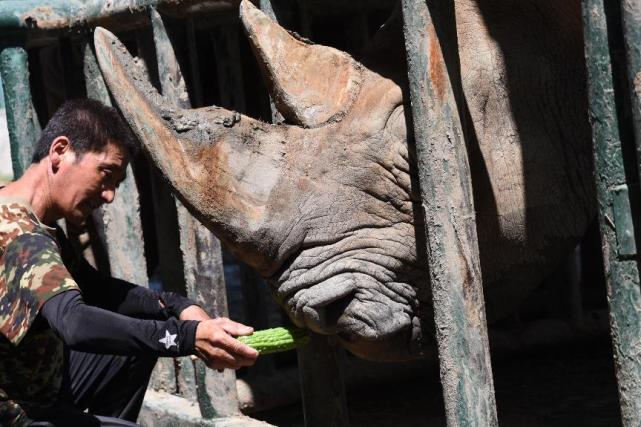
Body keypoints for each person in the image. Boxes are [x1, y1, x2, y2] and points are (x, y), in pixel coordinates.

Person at [0, 99, 259, 426]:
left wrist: (176, 306)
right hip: (15, 410)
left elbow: (96, 288)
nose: (108, 195)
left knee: (131, 347)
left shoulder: (31, 220)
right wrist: (186, 337)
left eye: (116, 185)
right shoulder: (20, 235)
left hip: (41, 381)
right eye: (105, 174)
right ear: (60, 151)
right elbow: (74, 322)